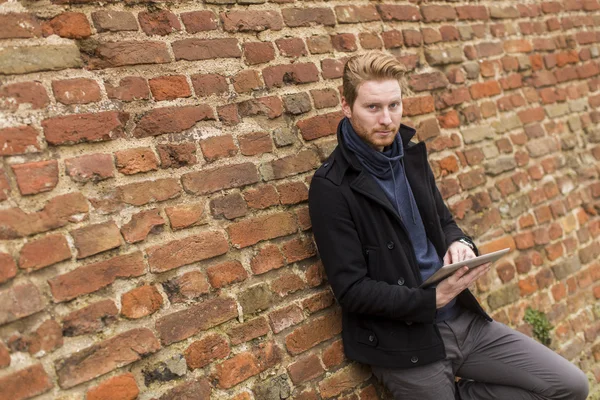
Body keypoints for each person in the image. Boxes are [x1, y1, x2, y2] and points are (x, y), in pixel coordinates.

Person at [308, 51, 589, 400]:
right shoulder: (331, 187)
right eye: (373, 108)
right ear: (346, 107)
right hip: (405, 344)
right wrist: (430, 300)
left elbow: (444, 222)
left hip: (463, 321)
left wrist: (460, 244)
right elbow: (351, 290)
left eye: (394, 105)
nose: (386, 119)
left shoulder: (409, 157)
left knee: (571, 386)